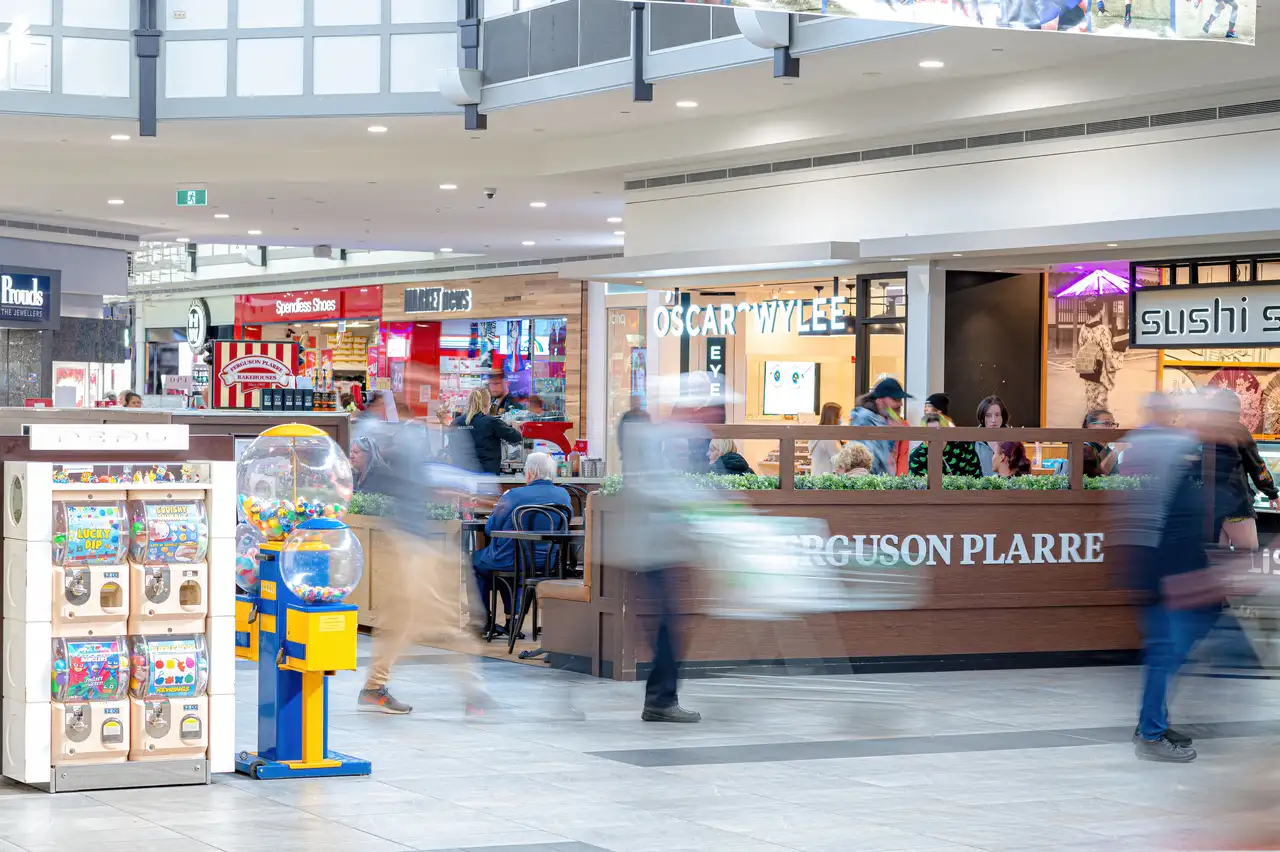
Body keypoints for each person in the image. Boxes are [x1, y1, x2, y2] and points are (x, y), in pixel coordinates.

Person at [358, 388, 490, 716]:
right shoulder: (406, 438)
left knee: (416, 619)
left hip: (421, 540)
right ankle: (472, 690)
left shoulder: (420, 436)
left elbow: (415, 480)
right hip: (411, 542)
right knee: (436, 617)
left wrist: (444, 489)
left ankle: (377, 687)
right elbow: (407, 478)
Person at [471, 452, 572, 635]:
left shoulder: (514, 495)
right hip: (547, 562)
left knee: (477, 562)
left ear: (531, 472)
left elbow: (490, 529)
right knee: (512, 564)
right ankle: (513, 620)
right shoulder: (563, 495)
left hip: (510, 559)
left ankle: (483, 622)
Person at [1209, 389, 1279, 552]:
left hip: (1209, 509)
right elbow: (1256, 465)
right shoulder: (1238, 430)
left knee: (1217, 563)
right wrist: (1272, 493)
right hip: (1236, 505)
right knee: (1247, 559)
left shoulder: (1204, 432)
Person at [451, 388, 523, 475]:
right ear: (487, 404)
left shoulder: (455, 422)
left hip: (461, 474)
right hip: (486, 476)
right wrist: (514, 425)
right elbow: (516, 437)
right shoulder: (491, 422)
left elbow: (452, 448)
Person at [848, 378, 912, 475]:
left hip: (881, 484)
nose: (900, 404)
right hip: (868, 484)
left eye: (901, 400)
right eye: (896, 399)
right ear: (880, 400)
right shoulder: (864, 420)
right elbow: (870, 460)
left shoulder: (884, 420)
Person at [1076, 296, 1122, 415]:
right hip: (1099, 372)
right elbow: (1108, 353)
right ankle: (1099, 427)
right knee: (1100, 403)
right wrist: (1119, 358)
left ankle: (1089, 424)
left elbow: (1081, 346)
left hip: (1087, 370)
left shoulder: (1083, 328)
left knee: (1091, 400)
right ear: (1101, 310)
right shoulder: (1102, 330)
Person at [908, 413, 983, 476]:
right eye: (930, 433)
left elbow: (977, 477)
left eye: (939, 432)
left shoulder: (964, 446)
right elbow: (916, 487)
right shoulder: (917, 455)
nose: (935, 437)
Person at [974, 395, 1010, 476]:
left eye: (997, 415)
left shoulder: (1012, 440)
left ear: (1003, 417)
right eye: (988, 415)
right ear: (982, 418)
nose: (993, 420)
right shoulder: (973, 440)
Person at [1082, 409, 1120, 476]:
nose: (1113, 427)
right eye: (1107, 423)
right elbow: (1097, 477)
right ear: (1091, 427)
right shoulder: (1085, 449)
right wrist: (1118, 450)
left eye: (1113, 424)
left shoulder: (1109, 450)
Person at [808, 402, 843, 475]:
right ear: (834, 417)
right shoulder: (829, 438)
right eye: (840, 415)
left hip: (817, 477)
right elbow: (840, 461)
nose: (841, 418)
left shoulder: (818, 433)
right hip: (826, 480)